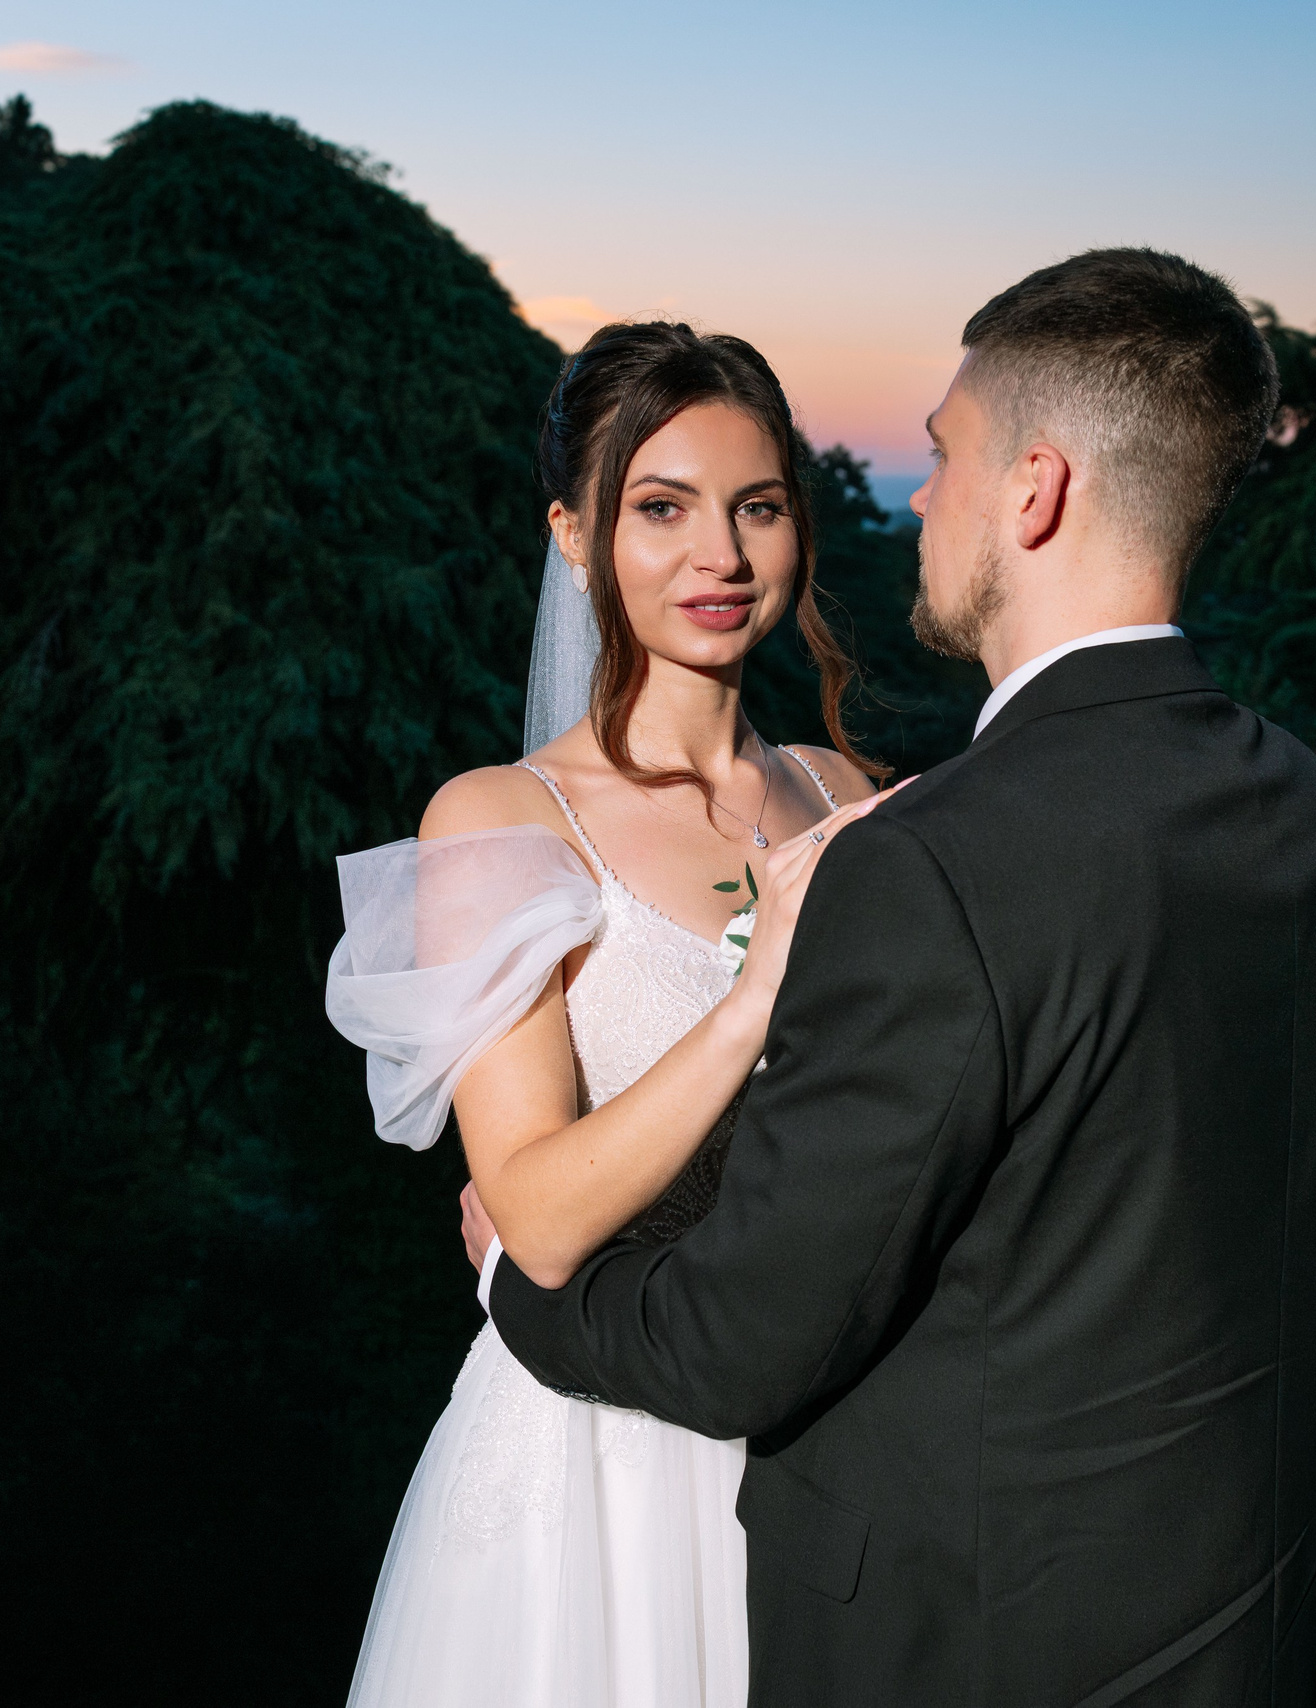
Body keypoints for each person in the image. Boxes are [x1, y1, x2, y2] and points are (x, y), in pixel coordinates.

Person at [484, 249, 1316, 1708]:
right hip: (1239, 1609)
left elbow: (734, 1345)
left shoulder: (920, 857)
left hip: (975, 1632)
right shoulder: (1309, 806)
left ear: (1032, 492)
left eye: (948, 456)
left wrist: (511, 1291)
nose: (918, 500)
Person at [324, 320, 894, 1708]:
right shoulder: (506, 820)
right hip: (600, 1463)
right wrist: (759, 990)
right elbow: (537, 1213)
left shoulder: (848, 798)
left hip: (830, 1431)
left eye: (758, 507)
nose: (724, 555)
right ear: (574, 535)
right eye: (661, 508)